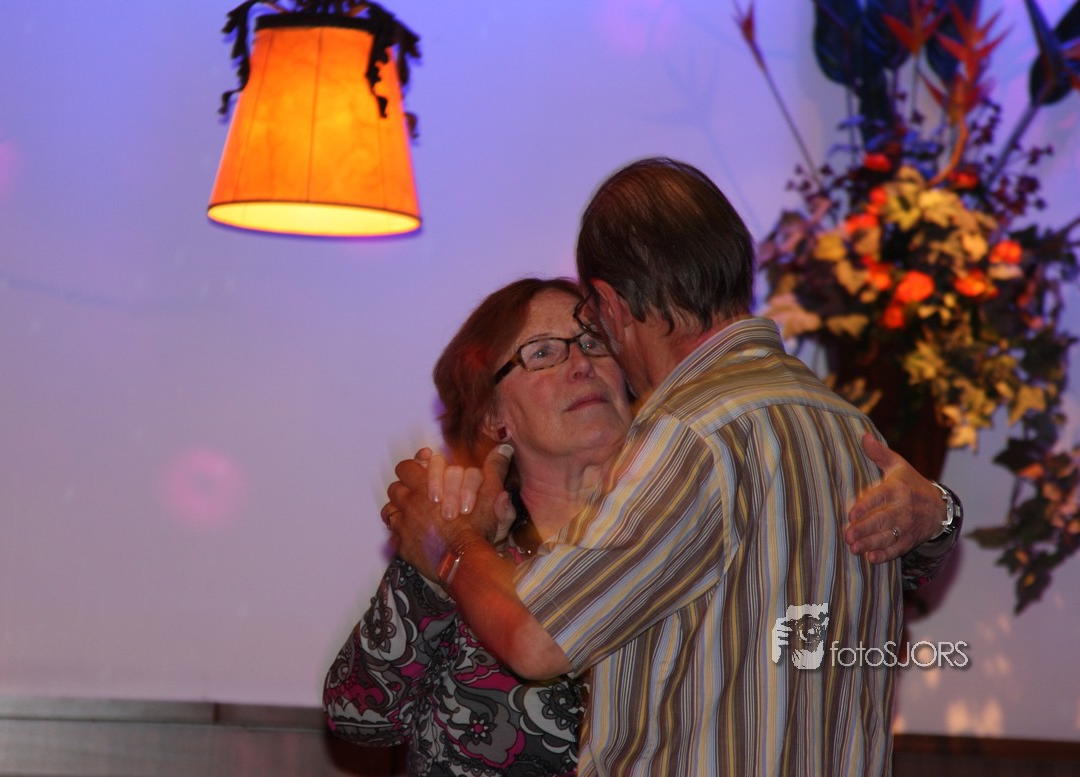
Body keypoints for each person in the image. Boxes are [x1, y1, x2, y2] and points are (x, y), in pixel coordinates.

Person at [385, 157, 953, 775]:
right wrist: (946, 515)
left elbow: (534, 639)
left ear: (611, 305)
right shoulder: (847, 426)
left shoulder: (690, 432)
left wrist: (450, 542)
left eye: (592, 331)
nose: (587, 359)